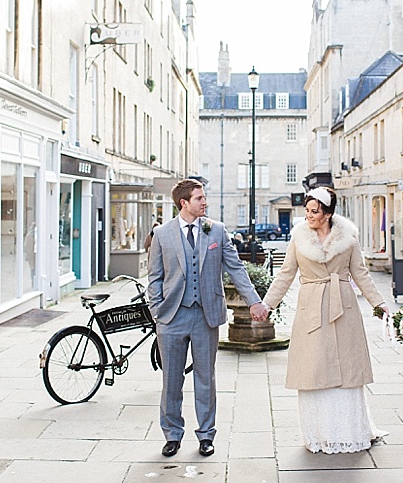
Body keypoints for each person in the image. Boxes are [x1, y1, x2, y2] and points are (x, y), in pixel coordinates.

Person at [257, 186, 389, 454]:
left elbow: (361, 274)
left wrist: (380, 304)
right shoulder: (298, 239)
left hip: (344, 309)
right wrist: (267, 304)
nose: (309, 216)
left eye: (314, 211)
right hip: (311, 310)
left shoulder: (348, 239)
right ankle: (319, 434)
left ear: (328, 214)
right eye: (307, 210)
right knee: (313, 370)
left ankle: (349, 432)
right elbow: (285, 274)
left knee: (347, 370)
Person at [147, 179, 268, 458]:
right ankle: (173, 435)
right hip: (172, 317)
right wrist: (158, 312)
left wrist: (254, 301)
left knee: (205, 378)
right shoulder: (162, 234)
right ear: (184, 203)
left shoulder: (217, 231)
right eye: (199, 198)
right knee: (171, 381)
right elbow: (154, 278)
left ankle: (206, 435)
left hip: (206, 316)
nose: (205, 202)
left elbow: (236, 268)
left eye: (204, 197)